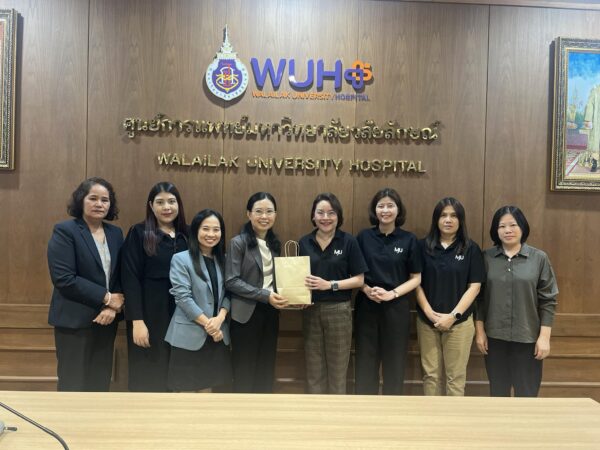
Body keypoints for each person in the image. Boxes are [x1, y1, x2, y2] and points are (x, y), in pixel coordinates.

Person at [47, 177, 124, 391]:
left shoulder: (115, 233)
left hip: (106, 321)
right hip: (74, 322)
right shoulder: (65, 231)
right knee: (72, 384)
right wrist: (107, 298)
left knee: (99, 383)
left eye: (105, 200)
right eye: (93, 198)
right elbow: (64, 278)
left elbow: (120, 274)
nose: (99, 204)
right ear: (81, 200)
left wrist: (112, 308)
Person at [475, 206, 558, 397]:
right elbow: (479, 299)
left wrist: (544, 338)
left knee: (527, 395)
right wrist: (480, 332)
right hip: (494, 339)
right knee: (498, 394)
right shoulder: (486, 257)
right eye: (502, 226)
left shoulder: (539, 258)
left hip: (528, 339)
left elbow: (548, 300)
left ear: (522, 227)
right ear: (496, 231)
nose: (508, 230)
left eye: (513, 225)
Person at [121, 182, 188, 392]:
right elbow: (130, 278)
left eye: (171, 201)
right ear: (151, 205)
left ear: (179, 204)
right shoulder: (139, 233)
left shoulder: (188, 235)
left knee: (178, 374)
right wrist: (137, 321)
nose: (166, 207)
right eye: (160, 202)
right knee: (149, 373)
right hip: (149, 314)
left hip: (182, 314)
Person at [355, 188, 422, 395]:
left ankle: (393, 409)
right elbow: (355, 273)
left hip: (397, 307)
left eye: (390, 205)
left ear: (398, 210)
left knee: (395, 364)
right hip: (367, 306)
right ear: (374, 210)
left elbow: (416, 278)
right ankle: (365, 408)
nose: (385, 210)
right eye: (381, 206)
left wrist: (392, 294)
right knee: (365, 363)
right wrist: (366, 289)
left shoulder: (409, 239)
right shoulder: (363, 237)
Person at [299, 192, 368, 394]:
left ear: (338, 216)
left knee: (338, 372)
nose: (325, 217)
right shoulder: (304, 242)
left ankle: (337, 412)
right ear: (313, 216)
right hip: (310, 310)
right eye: (320, 212)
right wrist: (299, 297)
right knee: (314, 371)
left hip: (339, 310)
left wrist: (330, 285)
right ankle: (315, 411)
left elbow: (359, 280)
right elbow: (298, 277)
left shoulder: (348, 241)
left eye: (331, 213)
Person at [415, 197, 483, 396]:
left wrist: (453, 316)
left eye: (453, 216)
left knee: (455, 378)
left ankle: (453, 417)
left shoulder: (471, 249)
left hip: (459, 324)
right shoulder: (422, 246)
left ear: (460, 220)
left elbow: (475, 287)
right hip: (427, 322)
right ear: (436, 219)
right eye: (443, 215)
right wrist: (429, 313)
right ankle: (433, 416)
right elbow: (415, 283)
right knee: (431, 376)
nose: (448, 220)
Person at [225, 192, 287, 393]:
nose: (264, 216)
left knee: (266, 368)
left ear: (275, 214)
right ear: (249, 214)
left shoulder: (275, 244)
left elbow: (276, 281)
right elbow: (231, 281)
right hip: (245, 315)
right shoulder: (238, 243)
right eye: (259, 211)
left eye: (269, 211)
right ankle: (242, 412)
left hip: (271, 312)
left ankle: (264, 410)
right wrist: (265, 295)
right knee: (244, 370)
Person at [165, 209, 231, 391]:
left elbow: (230, 293)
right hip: (189, 335)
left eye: (216, 229)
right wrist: (209, 325)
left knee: (207, 393)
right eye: (205, 229)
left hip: (217, 335)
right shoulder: (181, 259)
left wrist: (219, 319)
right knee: (185, 395)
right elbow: (182, 297)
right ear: (195, 231)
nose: (211, 234)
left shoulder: (225, 260)